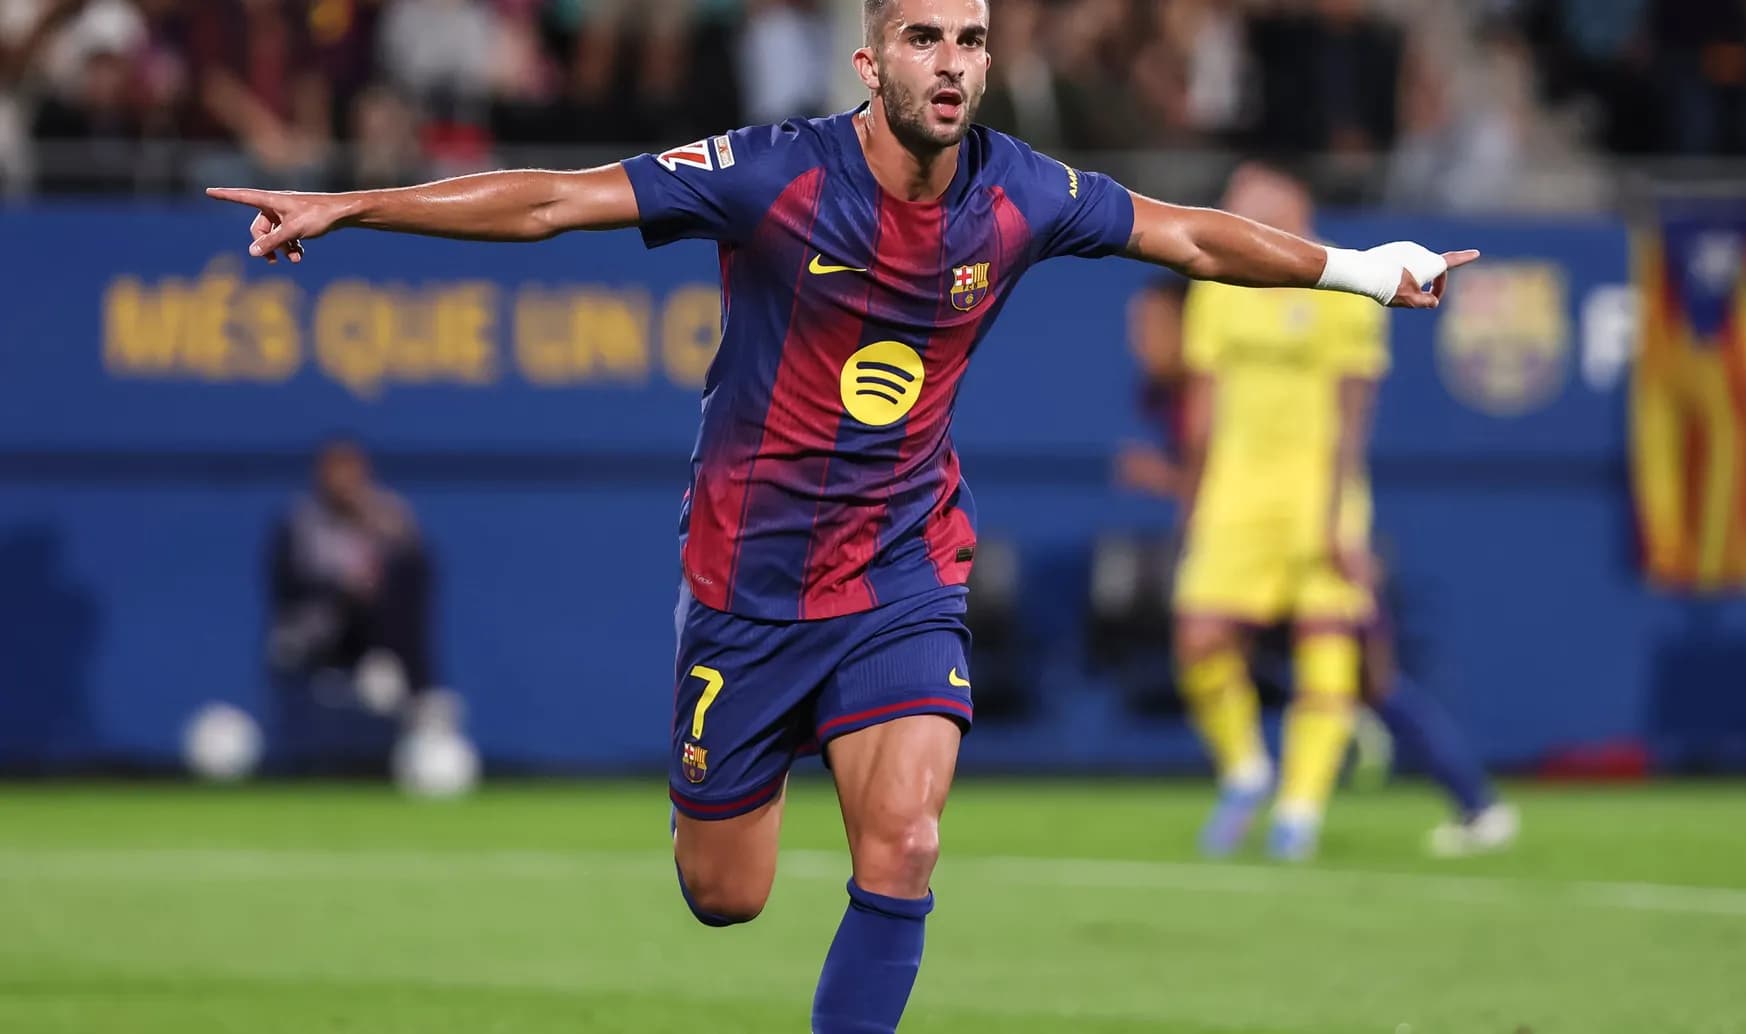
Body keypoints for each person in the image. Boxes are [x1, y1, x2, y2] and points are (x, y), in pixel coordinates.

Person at [206, 2, 1477, 1029]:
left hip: (903, 569)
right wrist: (347, 204)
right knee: (728, 896)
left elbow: (1188, 237)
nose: (952, 63)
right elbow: (553, 201)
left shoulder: (1022, 192)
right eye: (924, 38)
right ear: (871, 62)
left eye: (973, 41)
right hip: (746, 588)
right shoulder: (770, 175)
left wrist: (1369, 271)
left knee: (908, 838)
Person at [1161, 161, 1512, 860]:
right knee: (1199, 638)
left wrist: (1339, 509)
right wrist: (1193, 494)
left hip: (1319, 496)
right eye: (1236, 201)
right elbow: (1201, 406)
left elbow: (1354, 412)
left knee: (1335, 656)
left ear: (1296, 203)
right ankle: (1246, 770)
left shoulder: (1347, 281)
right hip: (1236, 495)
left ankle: (1299, 812)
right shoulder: (1219, 289)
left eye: (1257, 200)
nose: (1241, 211)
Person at [266, 437, 435, 719]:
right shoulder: (300, 521)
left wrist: (384, 526)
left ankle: (417, 691)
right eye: (336, 470)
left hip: (374, 629)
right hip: (318, 628)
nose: (344, 481)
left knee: (401, 586)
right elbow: (290, 584)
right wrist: (341, 586)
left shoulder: (384, 514)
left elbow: (414, 568)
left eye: (351, 470)